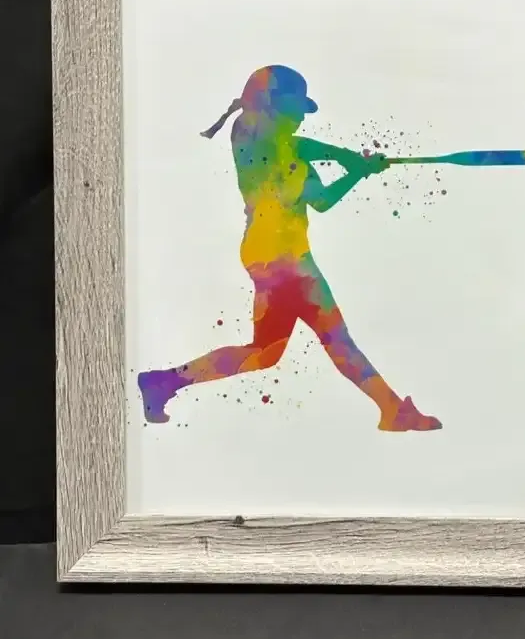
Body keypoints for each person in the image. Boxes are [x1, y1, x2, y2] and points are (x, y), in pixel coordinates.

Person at [138, 65, 442, 432]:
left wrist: (356, 171)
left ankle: (165, 381)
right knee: (336, 339)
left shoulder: (298, 161)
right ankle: (392, 409)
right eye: (295, 107)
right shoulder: (249, 133)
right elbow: (293, 146)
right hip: (280, 260)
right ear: (269, 103)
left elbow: (322, 200)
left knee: (265, 353)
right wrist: (346, 157)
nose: (301, 116)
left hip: (285, 258)